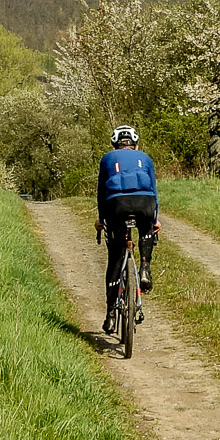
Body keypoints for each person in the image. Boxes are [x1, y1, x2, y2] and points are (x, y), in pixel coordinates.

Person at [95, 125, 159, 323]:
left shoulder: (107, 158)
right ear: (136, 145)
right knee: (146, 228)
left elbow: (101, 193)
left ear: (114, 145)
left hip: (116, 204)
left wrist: (101, 219)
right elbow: (154, 191)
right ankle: (145, 267)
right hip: (144, 203)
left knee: (115, 256)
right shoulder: (146, 158)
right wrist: (155, 220)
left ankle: (111, 314)